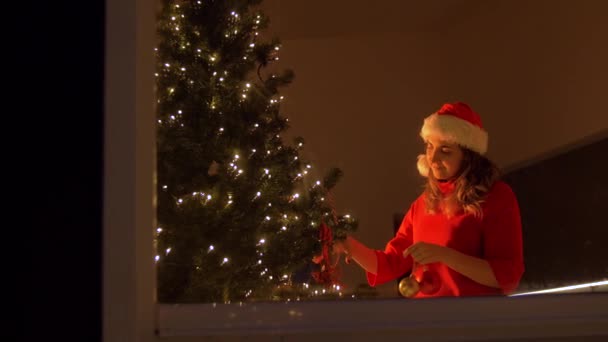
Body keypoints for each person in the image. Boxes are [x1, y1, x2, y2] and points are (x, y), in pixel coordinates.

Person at [334, 102, 524, 298]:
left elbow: (507, 275)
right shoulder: (422, 204)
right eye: (430, 146)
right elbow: (389, 264)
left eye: (445, 150)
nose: (432, 159)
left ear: (468, 156)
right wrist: (346, 244)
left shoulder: (496, 197)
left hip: (472, 321)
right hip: (425, 319)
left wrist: (445, 255)